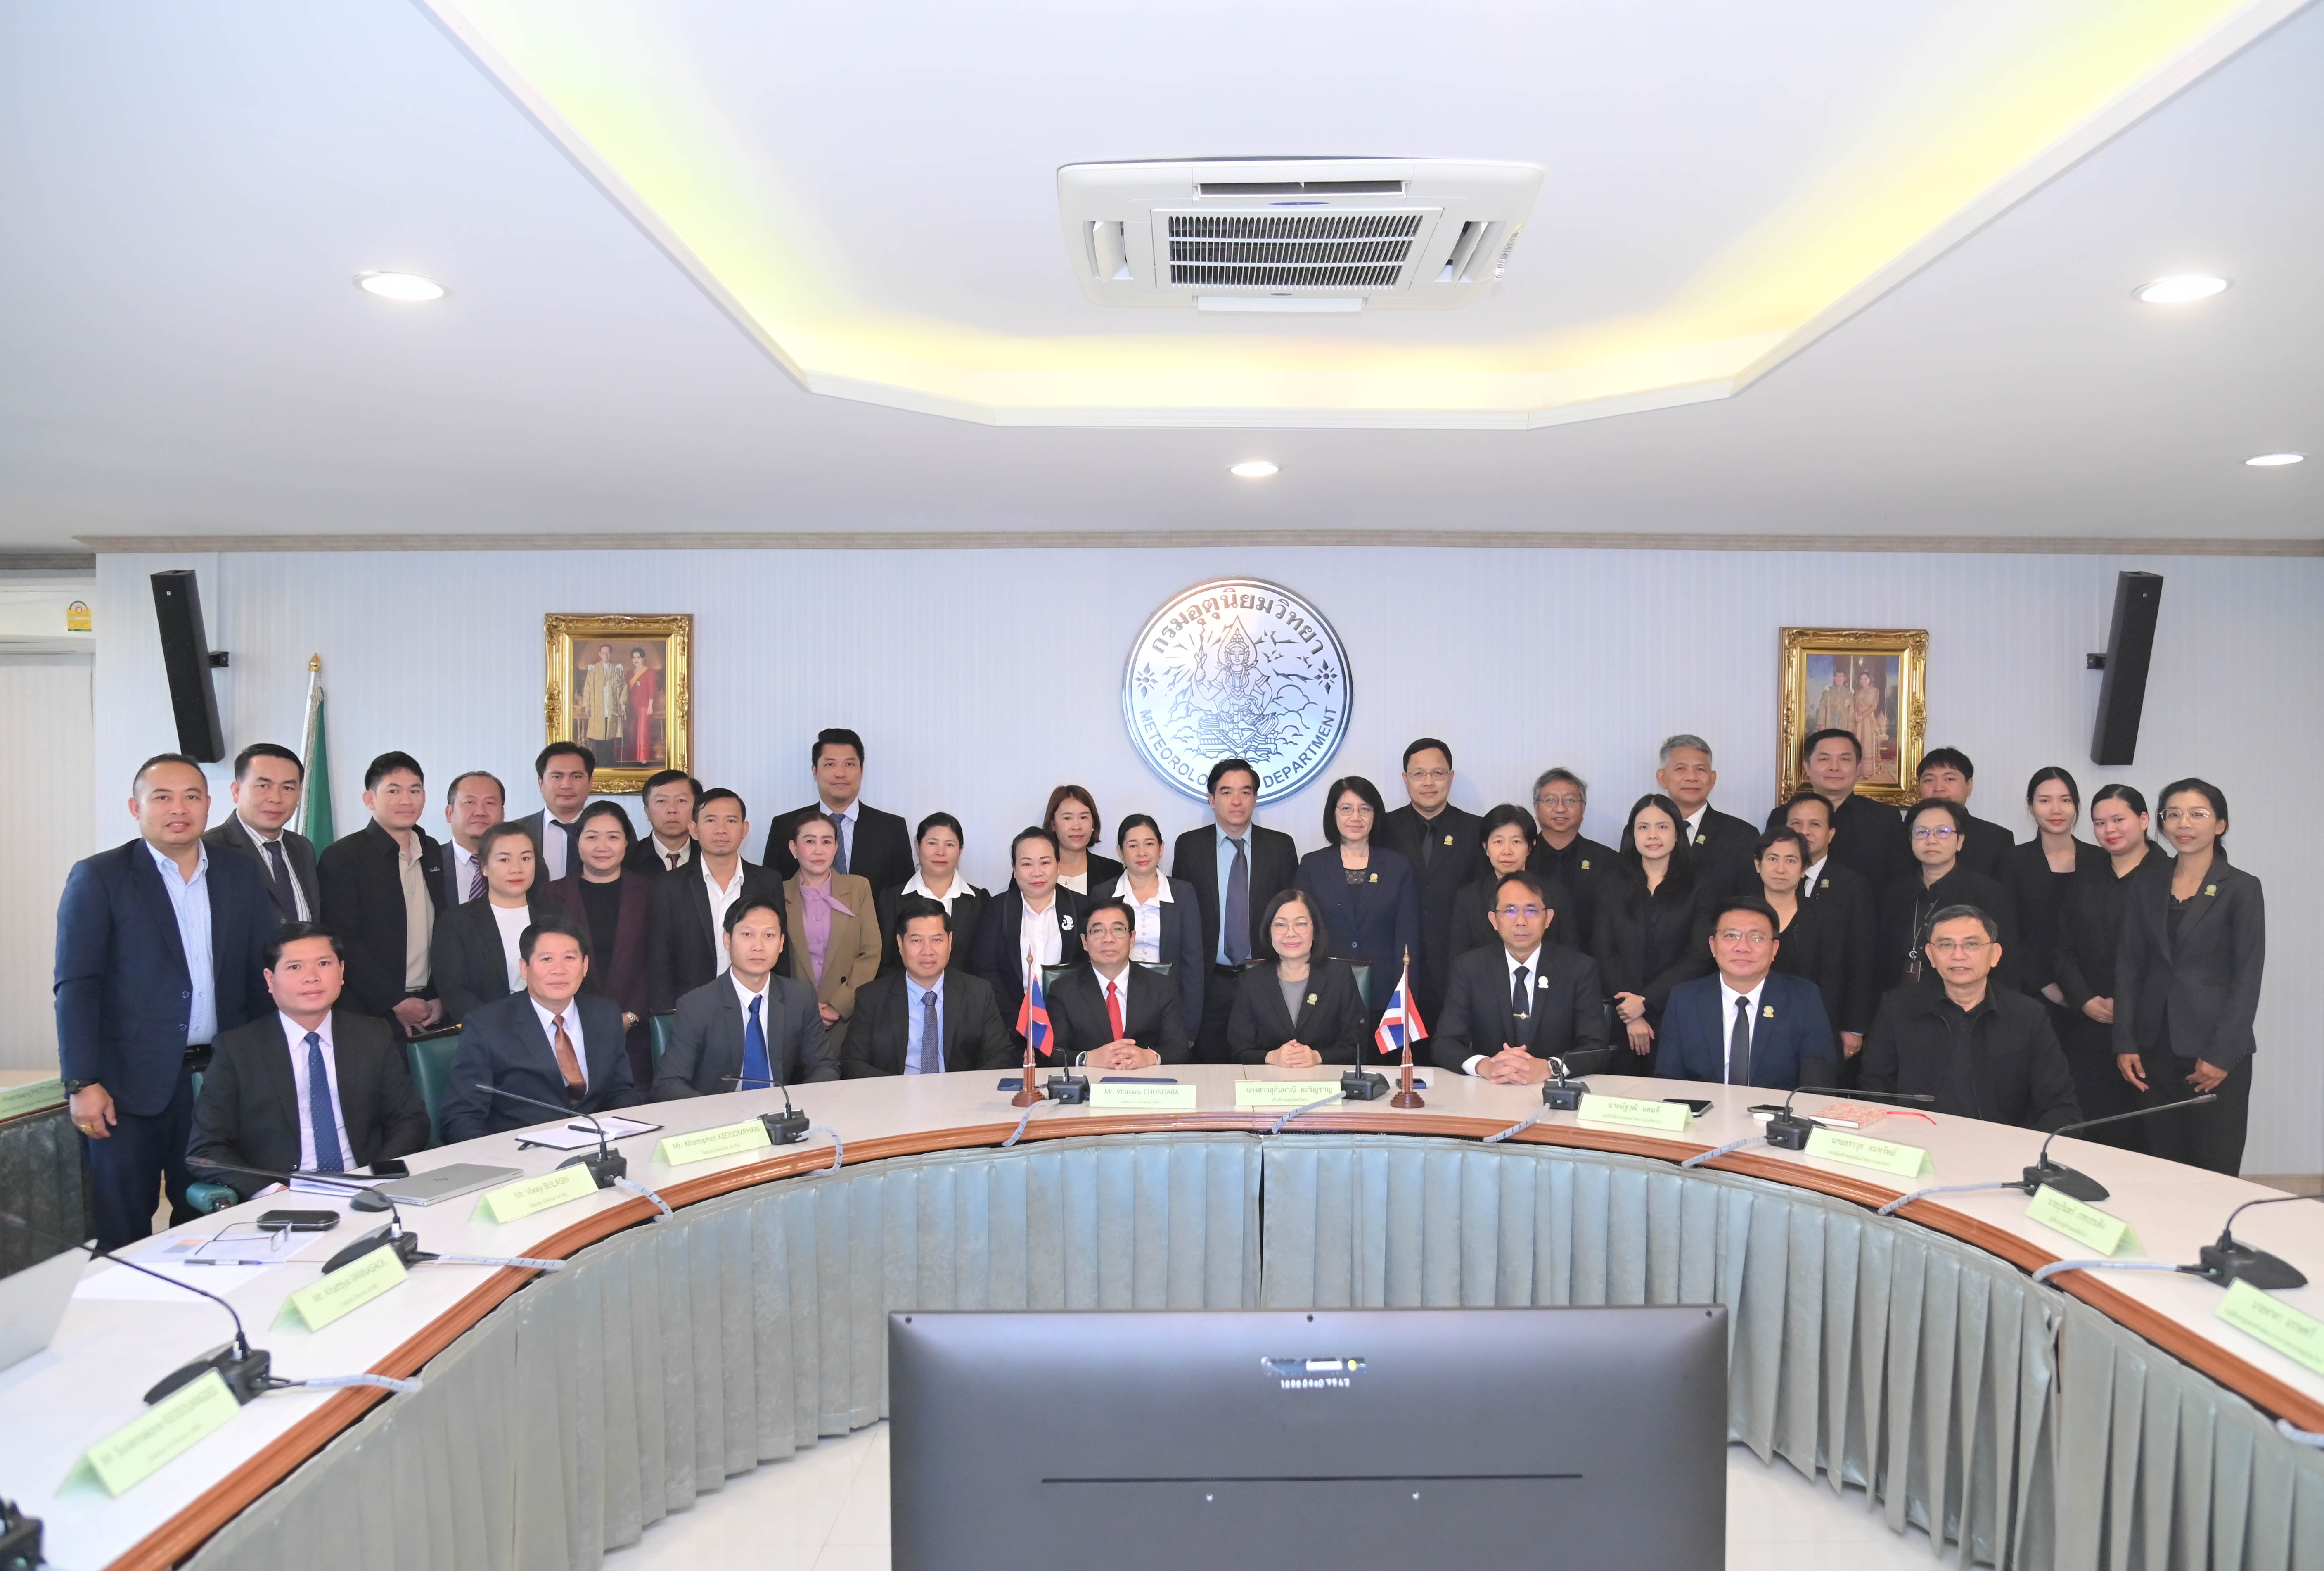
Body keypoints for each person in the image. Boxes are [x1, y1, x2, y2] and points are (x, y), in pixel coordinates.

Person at [55, 754, 277, 1248]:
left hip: (219, 1078)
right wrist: (82, 1081)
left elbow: (259, 976)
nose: (179, 808)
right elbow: (77, 986)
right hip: (125, 1088)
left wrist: (264, 1068)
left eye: (191, 796)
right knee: (124, 1230)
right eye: (162, 797)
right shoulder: (101, 876)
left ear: (208, 805)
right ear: (135, 807)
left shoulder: (239, 874)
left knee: (212, 1223)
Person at [187, 923, 430, 1200]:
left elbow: (409, 1119)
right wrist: (271, 1191)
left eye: (324, 964)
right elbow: (205, 1150)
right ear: (270, 980)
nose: (312, 977)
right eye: (295, 967)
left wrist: (379, 1177)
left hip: (368, 1187)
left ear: (341, 972)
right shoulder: (238, 1049)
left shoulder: (372, 1035)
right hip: (284, 1196)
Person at [2114, 779, 2265, 1175]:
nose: (2184, 823)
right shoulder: (2147, 882)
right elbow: (2130, 965)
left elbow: (2247, 976)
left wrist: (2222, 1055)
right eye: (2173, 814)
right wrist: (2124, 1040)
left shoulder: (2242, 888)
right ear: (2161, 823)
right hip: (2152, 1048)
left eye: (2197, 814)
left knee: (2214, 1167)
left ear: (2220, 824)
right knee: (2160, 1165)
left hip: (2214, 1052)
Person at [1860, 906, 2080, 1131]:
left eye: (1972, 944)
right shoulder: (1899, 1008)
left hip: (2000, 1146)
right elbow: (1873, 1090)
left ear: (1995, 955)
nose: (1958, 955)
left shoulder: (2027, 1016)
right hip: (1915, 1140)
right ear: (1931, 956)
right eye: (1946, 945)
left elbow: (2060, 1107)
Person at [438, 916, 640, 1140]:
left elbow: (620, 1093)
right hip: (522, 1151)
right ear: (524, 968)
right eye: (547, 959)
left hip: (599, 1146)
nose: (559, 970)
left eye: (569, 958)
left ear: (585, 966)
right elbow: (461, 1117)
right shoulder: (487, 1026)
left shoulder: (606, 1015)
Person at [2052, 785, 2166, 1146]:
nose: (2108, 830)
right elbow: (2063, 947)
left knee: (2148, 1138)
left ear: (2144, 820)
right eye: (2099, 823)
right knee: (2094, 1133)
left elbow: (2170, 957)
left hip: (2150, 1031)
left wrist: (2129, 1004)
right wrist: (2084, 999)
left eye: (2118, 820)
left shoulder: (2169, 876)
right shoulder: (2086, 874)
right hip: (2089, 1026)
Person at [1171, 758, 1298, 1062]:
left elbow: (1292, 915)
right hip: (1209, 983)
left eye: (1246, 792)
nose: (1237, 801)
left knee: (1265, 1068)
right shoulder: (1189, 847)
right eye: (1227, 792)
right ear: (1211, 799)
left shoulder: (1280, 847)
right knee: (1208, 1071)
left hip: (1265, 980)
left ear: (1256, 798)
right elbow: (1182, 919)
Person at [1433, 870, 1607, 1081]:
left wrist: (1550, 1068)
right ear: (1494, 920)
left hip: (1553, 1089)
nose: (1521, 921)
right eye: (1510, 911)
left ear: (1548, 918)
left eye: (1532, 910)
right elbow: (1444, 1043)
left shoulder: (1579, 969)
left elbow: (1596, 1047)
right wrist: (1485, 1066)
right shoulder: (1469, 968)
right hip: (1491, 1087)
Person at [318, 751, 446, 1035]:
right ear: (370, 799)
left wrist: (440, 995)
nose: (406, 800)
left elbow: (443, 926)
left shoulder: (432, 850)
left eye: (415, 791)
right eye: (393, 791)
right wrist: (394, 1002)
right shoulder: (343, 857)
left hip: (430, 1006)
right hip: (370, 1011)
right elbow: (343, 939)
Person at [654, 898, 837, 1096]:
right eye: (747, 934)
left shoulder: (800, 998)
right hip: (719, 1112)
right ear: (727, 940)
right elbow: (668, 1082)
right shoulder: (696, 1006)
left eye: (769, 935)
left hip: (781, 1110)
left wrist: (796, 1104)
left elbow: (825, 1066)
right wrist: (715, 1112)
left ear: (781, 943)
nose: (758, 946)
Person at [1654, 895, 1838, 1090]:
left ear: (1774, 949)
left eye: (1756, 938)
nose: (1743, 947)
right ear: (1713, 946)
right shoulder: (1684, 1000)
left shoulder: (1804, 999)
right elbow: (1668, 1082)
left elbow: (1817, 1089)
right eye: (1731, 936)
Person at [1594, 794, 1710, 1065]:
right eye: (1643, 827)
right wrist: (1630, 1011)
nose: (1652, 835)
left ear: (1677, 834)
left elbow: (1700, 955)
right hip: (1622, 1017)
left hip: (1678, 1012)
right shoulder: (1612, 883)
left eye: (1662, 826)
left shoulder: (1700, 884)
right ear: (1632, 834)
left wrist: (1645, 1002)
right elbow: (1604, 951)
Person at [548, 800, 657, 1088]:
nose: (602, 846)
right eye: (592, 837)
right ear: (578, 842)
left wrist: (631, 1017)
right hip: (570, 1029)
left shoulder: (651, 893)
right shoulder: (551, 895)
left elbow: (659, 961)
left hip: (637, 1033)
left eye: (613, 837)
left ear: (626, 843)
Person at [843, 896, 1015, 1076]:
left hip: (959, 1092)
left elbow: (1002, 1055)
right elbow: (852, 1062)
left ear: (950, 941)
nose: (928, 951)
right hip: (895, 1092)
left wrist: (963, 1088)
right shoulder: (872, 998)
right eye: (917, 941)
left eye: (937, 940)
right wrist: (897, 1089)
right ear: (900, 944)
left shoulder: (978, 994)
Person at [1378, 738, 1483, 1027]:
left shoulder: (1477, 831)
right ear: (1405, 779)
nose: (1428, 782)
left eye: (1438, 773)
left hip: (1456, 967)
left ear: (1451, 777)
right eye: (1418, 774)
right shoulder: (1381, 829)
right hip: (1395, 968)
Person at [1294, 775, 1419, 1014]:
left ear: (1376, 815)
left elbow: (1407, 938)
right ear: (1333, 814)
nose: (1356, 817)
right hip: (1324, 990)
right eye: (1346, 809)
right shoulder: (1312, 866)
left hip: (1385, 993)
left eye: (1365, 809)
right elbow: (1301, 931)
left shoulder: (1398, 867)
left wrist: (1404, 995)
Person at [648, 788, 778, 1014]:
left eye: (731, 821)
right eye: (711, 820)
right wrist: (668, 1013)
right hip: (691, 1009)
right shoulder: (669, 885)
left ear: (745, 829)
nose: (721, 829)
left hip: (755, 1007)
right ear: (694, 829)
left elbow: (779, 951)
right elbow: (660, 958)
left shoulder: (768, 882)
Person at [1754, 827, 1869, 1074]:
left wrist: (1850, 1027)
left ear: (1804, 869)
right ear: (1758, 865)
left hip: (1812, 1030)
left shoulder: (1826, 918)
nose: (1781, 869)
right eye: (1772, 859)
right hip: (1750, 1026)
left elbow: (1843, 977)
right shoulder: (1738, 916)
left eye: (1791, 861)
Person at [1876, 799, 2019, 993]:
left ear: (1960, 841)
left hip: (1965, 1002)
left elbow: (2007, 967)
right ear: (1911, 841)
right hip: (1901, 1002)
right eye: (1921, 832)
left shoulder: (1989, 894)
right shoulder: (1895, 894)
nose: (1931, 840)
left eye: (1942, 832)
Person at [429, 821, 559, 1025]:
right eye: (504, 860)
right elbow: (454, 992)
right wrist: (498, 1029)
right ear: (484, 867)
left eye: (526, 858)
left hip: (550, 1027)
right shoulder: (457, 923)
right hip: (486, 1031)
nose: (516, 869)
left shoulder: (556, 917)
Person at [2006, 767, 2107, 1023]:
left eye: (2065, 800)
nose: (2056, 810)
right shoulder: (2013, 861)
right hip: (2032, 993)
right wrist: (2044, 984)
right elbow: (2008, 930)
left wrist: (2082, 993)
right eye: (2045, 801)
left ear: (2076, 805)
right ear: (2030, 806)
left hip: (2096, 993)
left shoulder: (2101, 860)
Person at [1226, 889, 1370, 1066]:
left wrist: (1317, 1057)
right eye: (1281, 925)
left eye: (1301, 924)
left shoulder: (1339, 976)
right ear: (1269, 931)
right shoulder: (1251, 981)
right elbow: (1239, 1051)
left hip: (1326, 1080)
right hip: (1269, 1080)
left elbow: (1356, 1047)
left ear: (1315, 930)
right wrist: (1272, 1057)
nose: (1291, 933)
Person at [972, 827, 1090, 1042]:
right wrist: (1018, 1024)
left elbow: (1090, 970)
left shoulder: (1083, 908)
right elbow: (986, 972)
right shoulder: (996, 909)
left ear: (1058, 866)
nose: (1037, 872)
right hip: (1010, 1029)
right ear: (1014, 869)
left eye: (1045, 863)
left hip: (1072, 1028)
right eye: (1027, 864)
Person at [1781, 792, 1877, 1057]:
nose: (1804, 832)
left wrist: (1854, 1027)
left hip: (1829, 1015)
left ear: (1831, 834)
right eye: (1796, 824)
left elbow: (1862, 959)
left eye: (1815, 824)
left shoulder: (1853, 886)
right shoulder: (1766, 882)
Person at [760, 727, 913, 892]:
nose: (840, 774)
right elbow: (770, 893)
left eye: (849, 764)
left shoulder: (892, 829)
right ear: (815, 771)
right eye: (830, 764)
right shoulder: (785, 827)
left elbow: (904, 899)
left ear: (862, 771)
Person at [1046, 897, 1190, 1068]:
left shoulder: (1162, 987)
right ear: (1085, 942)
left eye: (1118, 929)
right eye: (1098, 931)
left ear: (1132, 938)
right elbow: (1053, 1053)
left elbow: (1180, 1049)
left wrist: (1150, 1057)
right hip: (1090, 1081)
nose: (1108, 939)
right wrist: (1087, 1058)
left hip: (1147, 1081)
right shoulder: (1063, 990)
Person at [782, 813, 882, 1054]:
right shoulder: (777, 892)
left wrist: (839, 1005)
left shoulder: (858, 888)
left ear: (836, 848)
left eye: (827, 842)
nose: (819, 850)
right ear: (794, 848)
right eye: (810, 841)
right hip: (794, 1017)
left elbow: (871, 952)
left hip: (848, 1017)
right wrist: (805, 1008)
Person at [1765, 729, 1907, 890]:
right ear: (1807, 767)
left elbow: (1899, 882)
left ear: (1858, 768)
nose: (1834, 767)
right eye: (1824, 759)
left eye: (1844, 759)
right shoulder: (1782, 816)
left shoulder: (1885, 819)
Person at [204, 742, 320, 923]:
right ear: (237, 791)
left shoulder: (303, 847)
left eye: (287, 788)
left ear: (299, 795)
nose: (276, 798)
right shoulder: (208, 850)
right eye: (264, 786)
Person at [1108, 814, 1205, 1030]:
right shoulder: (1104, 894)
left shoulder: (1183, 893)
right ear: (1120, 852)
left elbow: (1193, 963)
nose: (1142, 852)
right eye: (1133, 846)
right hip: (1118, 1003)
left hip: (1169, 1005)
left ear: (1161, 848)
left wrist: (1190, 1026)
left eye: (1150, 844)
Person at [875, 812, 989, 972]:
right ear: (918, 846)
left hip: (966, 989)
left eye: (949, 845)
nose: (941, 852)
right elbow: (883, 964)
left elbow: (986, 964)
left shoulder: (981, 901)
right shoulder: (890, 900)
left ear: (961, 850)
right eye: (932, 843)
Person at [1654, 735, 1759, 899]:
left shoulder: (1742, 836)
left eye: (1700, 769)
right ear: (1662, 778)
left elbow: (1750, 900)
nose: (1691, 777)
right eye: (1681, 769)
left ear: (1712, 779)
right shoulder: (1642, 832)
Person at [1453, 805, 1561, 957]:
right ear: (1486, 847)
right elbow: (1459, 959)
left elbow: (1569, 958)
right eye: (1498, 842)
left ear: (1530, 847)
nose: (1507, 851)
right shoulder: (1469, 898)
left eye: (1516, 842)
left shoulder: (1556, 895)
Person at [1528, 767, 1612, 952]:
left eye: (1570, 800)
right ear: (1536, 808)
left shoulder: (1608, 861)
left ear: (1583, 808)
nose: (1560, 808)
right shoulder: (1522, 859)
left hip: (1591, 960)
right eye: (1551, 800)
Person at [1915, 748, 2014, 881]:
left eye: (1950, 779)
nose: (1938, 788)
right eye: (1929, 780)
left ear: (1969, 785)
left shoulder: (1997, 839)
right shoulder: (1900, 835)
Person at [517, 741, 596, 885]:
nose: (566, 785)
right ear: (541, 783)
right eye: (557, 777)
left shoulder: (614, 829)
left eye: (576, 777)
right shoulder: (517, 831)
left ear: (591, 782)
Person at [438, 770, 506, 906]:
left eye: (490, 803)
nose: (480, 812)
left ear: (503, 814)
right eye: (470, 802)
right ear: (449, 813)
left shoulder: (526, 865)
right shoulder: (430, 863)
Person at [1044, 785, 1122, 895]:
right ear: (1053, 824)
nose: (1077, 827)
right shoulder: (1036, 871)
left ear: (1093, 823)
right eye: (1067, 818)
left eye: (1083, 817)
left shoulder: (1112, 871)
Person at [627, 769, 700, 876]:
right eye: (661, 801)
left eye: (681, 800)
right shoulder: (626, 859)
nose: (672, 809)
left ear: (696, 810)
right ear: (648, 812)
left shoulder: (710, 857)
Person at [579, 643, 625, 750]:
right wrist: (587, 706)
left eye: (608, 653)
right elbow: (588, 688)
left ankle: (609, 758)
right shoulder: (593, 670)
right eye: (604, 653)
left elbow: (624, 687)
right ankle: (600, 759)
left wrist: (622, 701)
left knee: (610, 735)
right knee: (599, 735)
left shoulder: (617, 670)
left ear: (611, 654)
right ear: (600, 654)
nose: (606, 656)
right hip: (598, 707)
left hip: (612, 707)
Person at [622, 645, 659, 765]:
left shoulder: (649, 672)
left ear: (643, 659)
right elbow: (626, 690)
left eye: (639, 657)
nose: (636, 660)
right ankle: (635, 757)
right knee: (632, 731)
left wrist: (651, 706)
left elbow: (652, 690)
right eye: (634, 657)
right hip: (632, 706)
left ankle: (643, 758)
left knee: (643, 732)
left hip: (645, 706)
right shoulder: (629, 673)